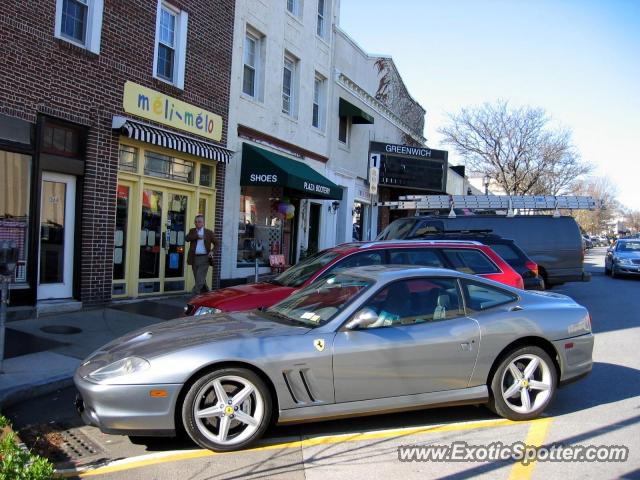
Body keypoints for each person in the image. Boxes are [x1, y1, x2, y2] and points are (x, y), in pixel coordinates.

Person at [186, 214, 216, 294]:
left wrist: (212, 251)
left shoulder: (208, 232)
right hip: (194, 258)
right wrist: (197, 236)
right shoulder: (192, 231)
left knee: (199, 280)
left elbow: (217, 243)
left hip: (204, 258)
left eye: (199, 222)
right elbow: (187, 238)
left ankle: (193, 296)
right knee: (199, 279)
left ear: (203, 223)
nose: (197, 223)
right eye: (195, 222)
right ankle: (207, 294)